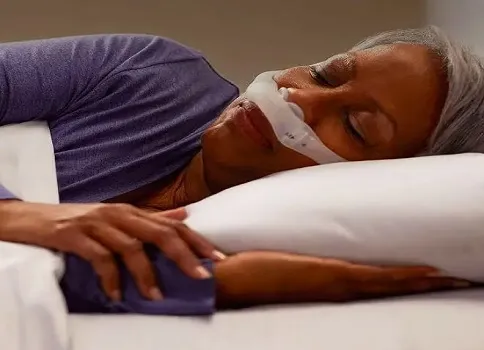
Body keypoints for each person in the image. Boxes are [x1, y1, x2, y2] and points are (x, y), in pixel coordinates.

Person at [0, 26, 482, 315]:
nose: (300, 97)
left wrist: (221, 282)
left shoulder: (259, 247)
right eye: (325, 74)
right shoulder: (148, 76)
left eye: (355, 126)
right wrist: (15, 217)